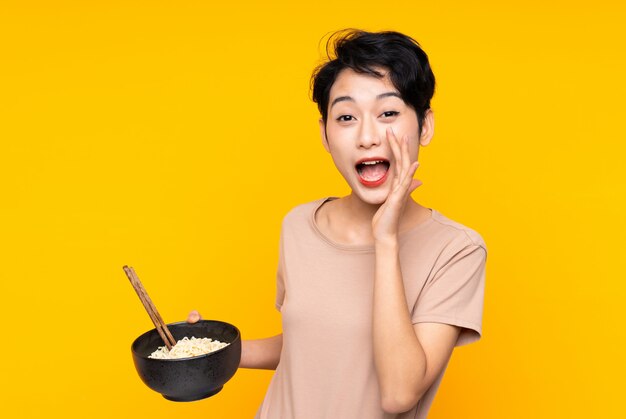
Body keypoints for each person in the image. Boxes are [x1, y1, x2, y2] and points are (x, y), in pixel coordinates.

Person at [188, 29, 487, 419]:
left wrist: (386, 241)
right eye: (346, 117)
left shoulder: (457, 250)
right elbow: (310, 343)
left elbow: (399, 393)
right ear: (326, 136)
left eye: (388, 114)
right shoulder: (298, 225)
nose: (367, 136)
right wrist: (217, 350)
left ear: (425, 126)